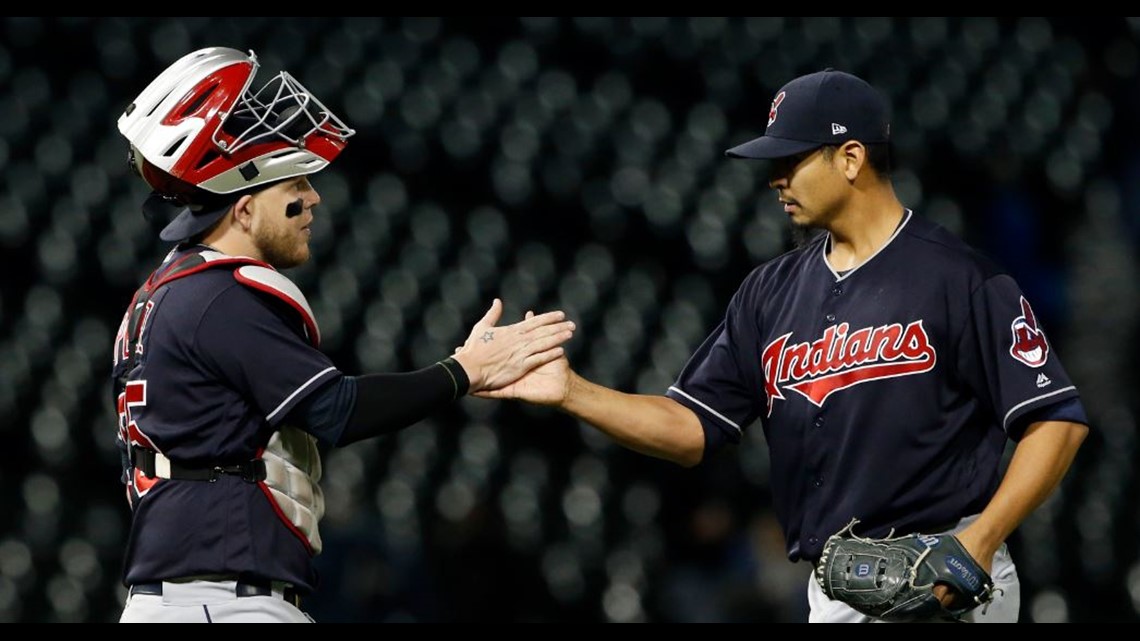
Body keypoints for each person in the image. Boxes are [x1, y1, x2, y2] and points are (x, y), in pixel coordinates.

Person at [480, 68, 1090, 622]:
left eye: (792, 160)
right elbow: (692, 427)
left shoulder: (959, 279)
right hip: (835, 588)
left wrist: (979, 541)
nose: (775, 178)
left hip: (943, 574)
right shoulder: (768, 293)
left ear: (850, 158)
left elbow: (1056, 421)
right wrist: (572, 392)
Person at [110, 46, 576, 623]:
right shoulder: (219, 298)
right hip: (222, 600)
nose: (313, 198)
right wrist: (466, 371)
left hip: (189, 595)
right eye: (293, 185)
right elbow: (339, 410)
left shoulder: (166, 292)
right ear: (246, 209)